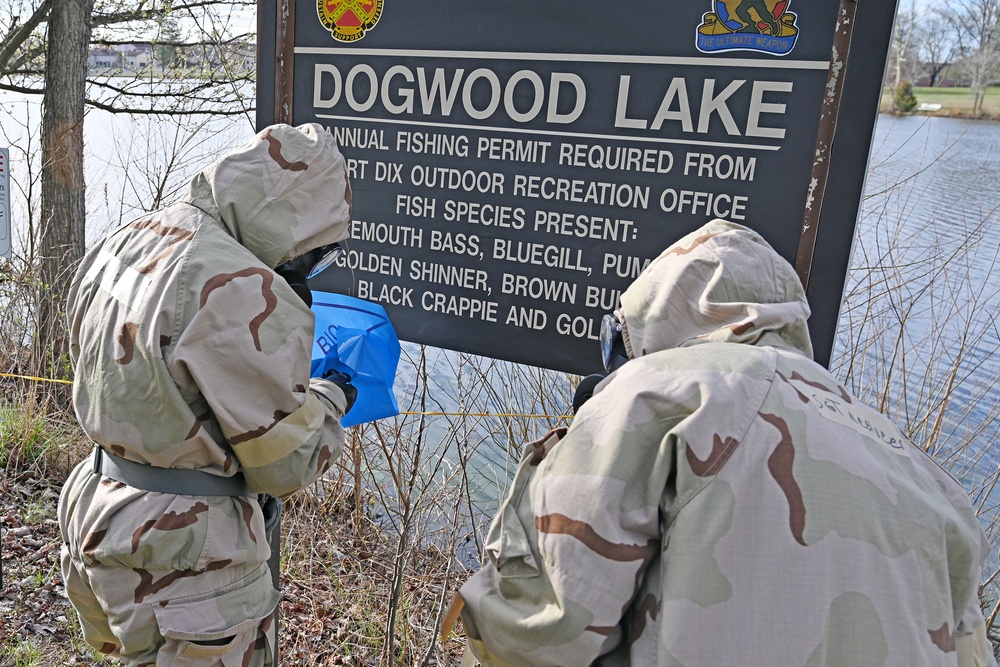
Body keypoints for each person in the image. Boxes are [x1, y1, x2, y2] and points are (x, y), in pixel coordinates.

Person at [453, 219, 996, 666]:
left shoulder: (652, 396)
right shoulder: (924, 474)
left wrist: (579, 438)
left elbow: (536, 638)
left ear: (654, 320)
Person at [58, 123, 356, 666]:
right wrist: (330, 397)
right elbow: (284, 465)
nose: (313, 265)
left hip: (97, 507)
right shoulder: (244, 286)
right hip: (189, 551)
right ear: (298, 222)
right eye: (319, 251)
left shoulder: (131, 235)